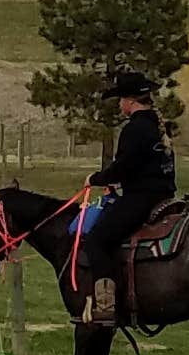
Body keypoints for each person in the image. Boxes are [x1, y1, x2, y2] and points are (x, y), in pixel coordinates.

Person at [74, 69, 176, 326]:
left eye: (121, 99)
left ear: (130, 101)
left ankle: (106, 306)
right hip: (164, 194)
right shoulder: (158, 127)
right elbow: (143, 167)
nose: (120, 105)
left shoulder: (135, 129)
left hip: (141, 198)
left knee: (97, 240)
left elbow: (123, 166)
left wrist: (96, 179)